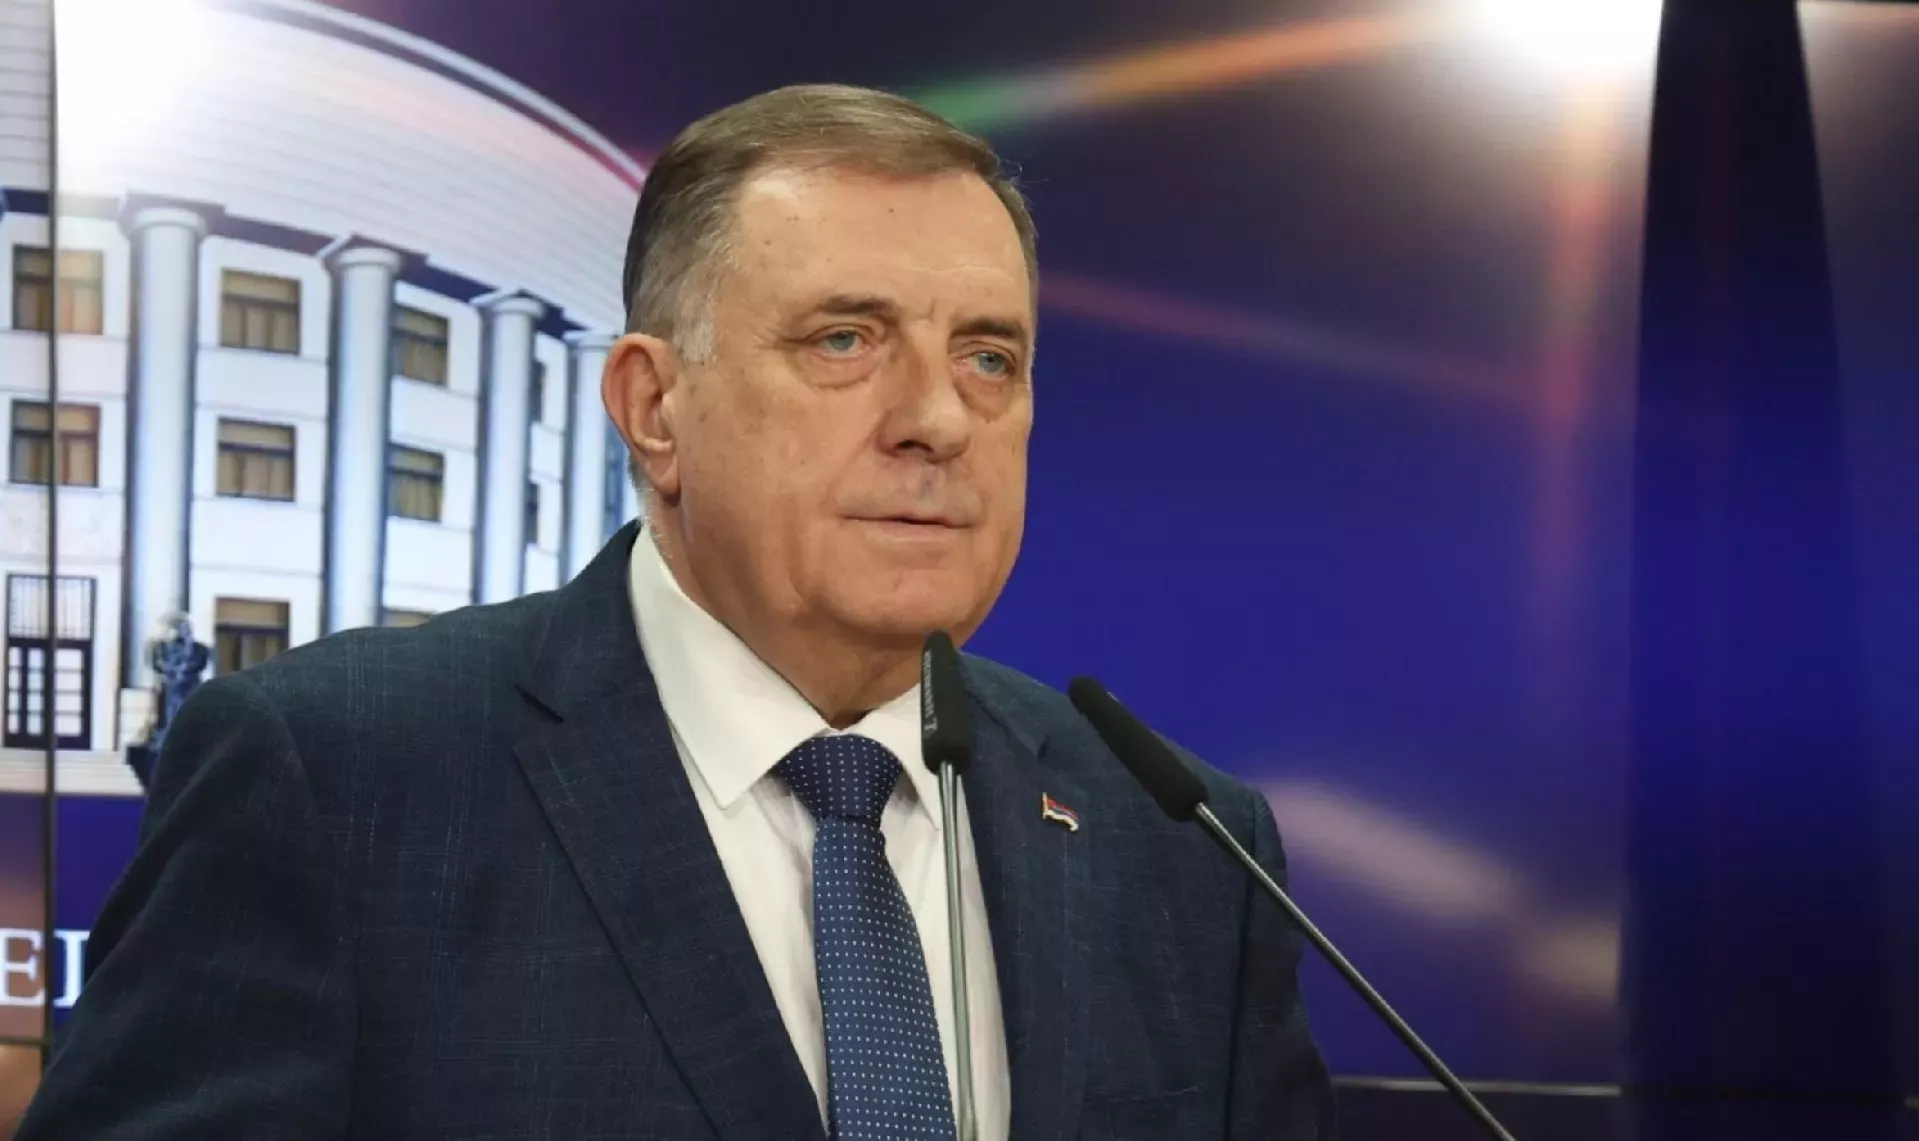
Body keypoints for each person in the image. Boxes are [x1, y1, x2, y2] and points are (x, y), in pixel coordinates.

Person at [19, 84, 1335, 1140]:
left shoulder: (1179, 846)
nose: (939, 419)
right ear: (655, 409)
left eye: (989, 356)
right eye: (844, 340)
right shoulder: (339, 778)